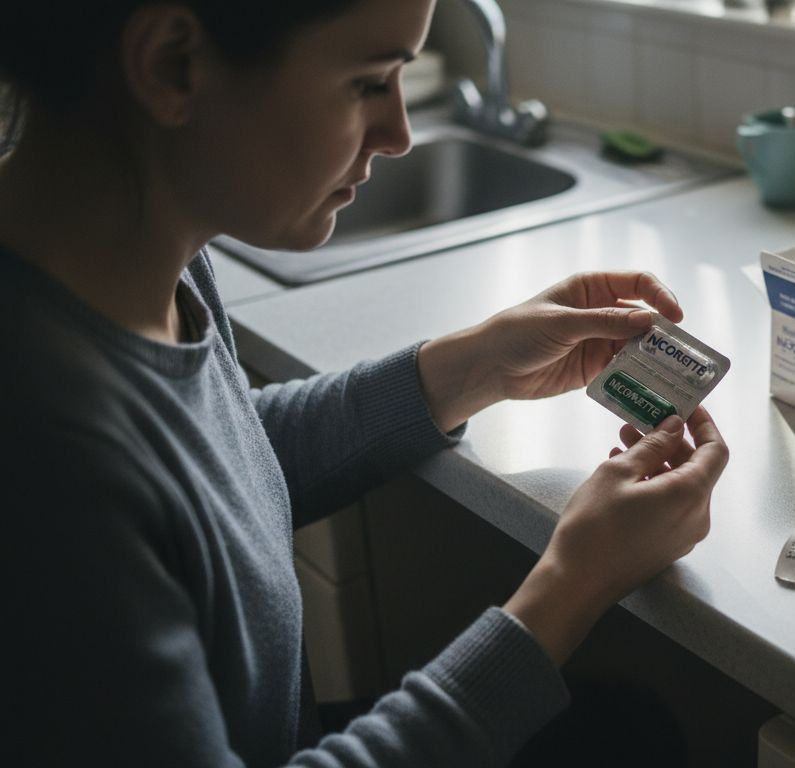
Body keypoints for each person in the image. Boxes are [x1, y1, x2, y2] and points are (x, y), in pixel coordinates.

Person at [0, 0, 729, 765]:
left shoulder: (154, 254)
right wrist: (573, 585)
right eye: (369, 82)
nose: (400, 135)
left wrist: (472, 366)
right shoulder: (41, 456)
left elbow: (212, 464)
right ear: (172, 64)